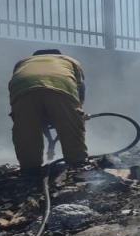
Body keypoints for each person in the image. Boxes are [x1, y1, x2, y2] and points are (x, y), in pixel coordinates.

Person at [8, 48, 88, 176]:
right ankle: (77, 164)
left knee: (26, 130)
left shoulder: (23, 62)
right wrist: (76, 111)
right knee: (70, 127)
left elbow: (14, 85)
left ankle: (30, 168)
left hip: (24, 89)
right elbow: (81, 88)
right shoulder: (69, 60)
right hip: (60, 87)